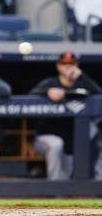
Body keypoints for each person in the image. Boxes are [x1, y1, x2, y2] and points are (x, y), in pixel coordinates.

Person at [29, 51, 102, 180]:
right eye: (64, 64)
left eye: (71, 64)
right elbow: (30, 95)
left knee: (66, 176)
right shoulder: (50, 82)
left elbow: (99, 95)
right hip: (48, 135)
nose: (68, 67)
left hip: (73, 140)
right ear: (58, 66)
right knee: (56, 145)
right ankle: (54, 191)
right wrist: (48, 91)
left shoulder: (83, 83)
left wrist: (82, 77)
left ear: (77, 65)